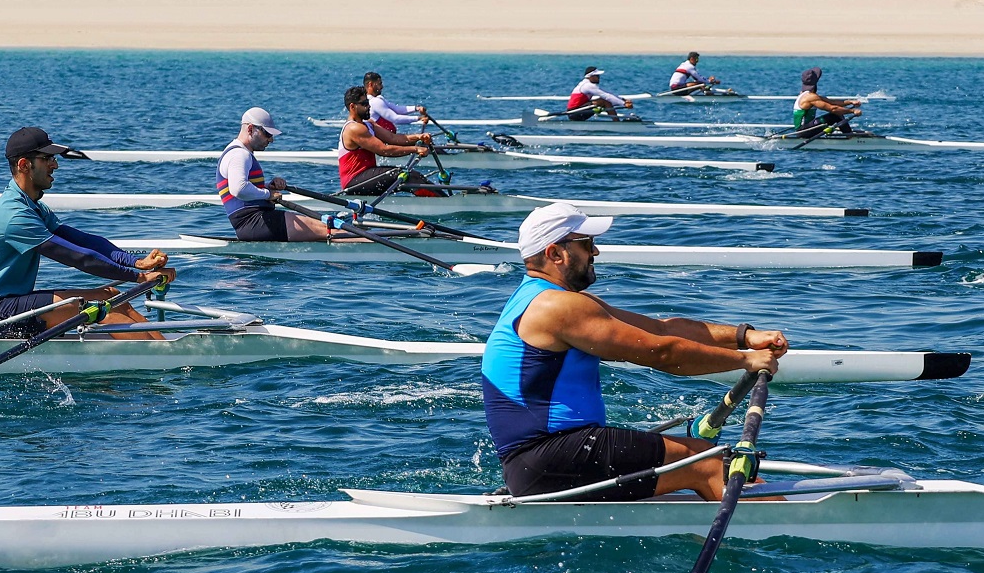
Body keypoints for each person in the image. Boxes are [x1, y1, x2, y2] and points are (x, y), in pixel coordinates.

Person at [482, 202, 787, 502]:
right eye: (587, 244)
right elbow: (662, 353)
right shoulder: (557, 307)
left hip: (544, 460)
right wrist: (747, 360)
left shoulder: (546, 299)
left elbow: (662, 330)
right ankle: (782, 528)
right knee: (708, 461)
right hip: (550, 458)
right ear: (555, 253)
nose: (596, 252)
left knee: (699, 456)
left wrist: (744, 336)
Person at [0, 127, 176, 339]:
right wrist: (138, 278)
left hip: (9, 303)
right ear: (24, 165)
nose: (55, 165)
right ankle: (164, 364)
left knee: (113, 296)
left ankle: (169, 351)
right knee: (102, 307)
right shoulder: (14, 214)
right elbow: (78, 258)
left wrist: (137, 263)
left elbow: (84, 242)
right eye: (47, 158)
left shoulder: (32, 206)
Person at [217, 107, 332, 242]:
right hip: (255, 223)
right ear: (250, 129)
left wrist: (267, 187)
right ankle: (361, 244)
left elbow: (246, 189)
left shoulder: (239, 152)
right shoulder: (239, 154)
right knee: (329, 230)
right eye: (267, 134)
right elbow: (239, 189)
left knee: (325, 228)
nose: (271, 140)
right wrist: (268, 194)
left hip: (256, 222)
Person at [338, 85, 442, 196]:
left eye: (368, 102)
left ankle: (442, 199)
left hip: (368, 174)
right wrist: (415, 149)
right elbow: (384, 150)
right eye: (364, 104)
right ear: (352, 107)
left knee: (415, 176)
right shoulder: (354, 128)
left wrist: (418, 137)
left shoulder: (369, 123)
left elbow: (393, 138)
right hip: (354, 182)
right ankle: (441, 203)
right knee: (406, 176)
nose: (368, 106)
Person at [793, 67, 862, 137]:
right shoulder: (811, 97)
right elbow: (833, 109)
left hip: (805, 128)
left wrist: (850, 102)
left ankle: (849, 135)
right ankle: (851, 138)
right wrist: (852, 111)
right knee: (836, 115)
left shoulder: (805, 94)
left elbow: (832, 102)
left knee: (837, 114)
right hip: (804, 131)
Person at [364, 71, 429, 133]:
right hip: (383, 141)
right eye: (379, 84)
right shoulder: (374, 102)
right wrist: (419, 118)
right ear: (371, 84)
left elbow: (397, 109)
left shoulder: (378, 99)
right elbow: (395, 119)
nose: (382, 87)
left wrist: (416, 108)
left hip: (389, 138)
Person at [566, 67, 633, 121]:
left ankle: (616, 121)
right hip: (574, 113)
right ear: (590, 77)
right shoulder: (587, 86)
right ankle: (617, 123)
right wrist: (623, 104)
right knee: (604, 101)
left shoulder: (590, 84)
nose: (599, 77)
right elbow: (606, 96)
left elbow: (608, 93)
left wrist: (623, 100)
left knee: (604, 101)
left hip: (579, 111)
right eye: (597, 76)